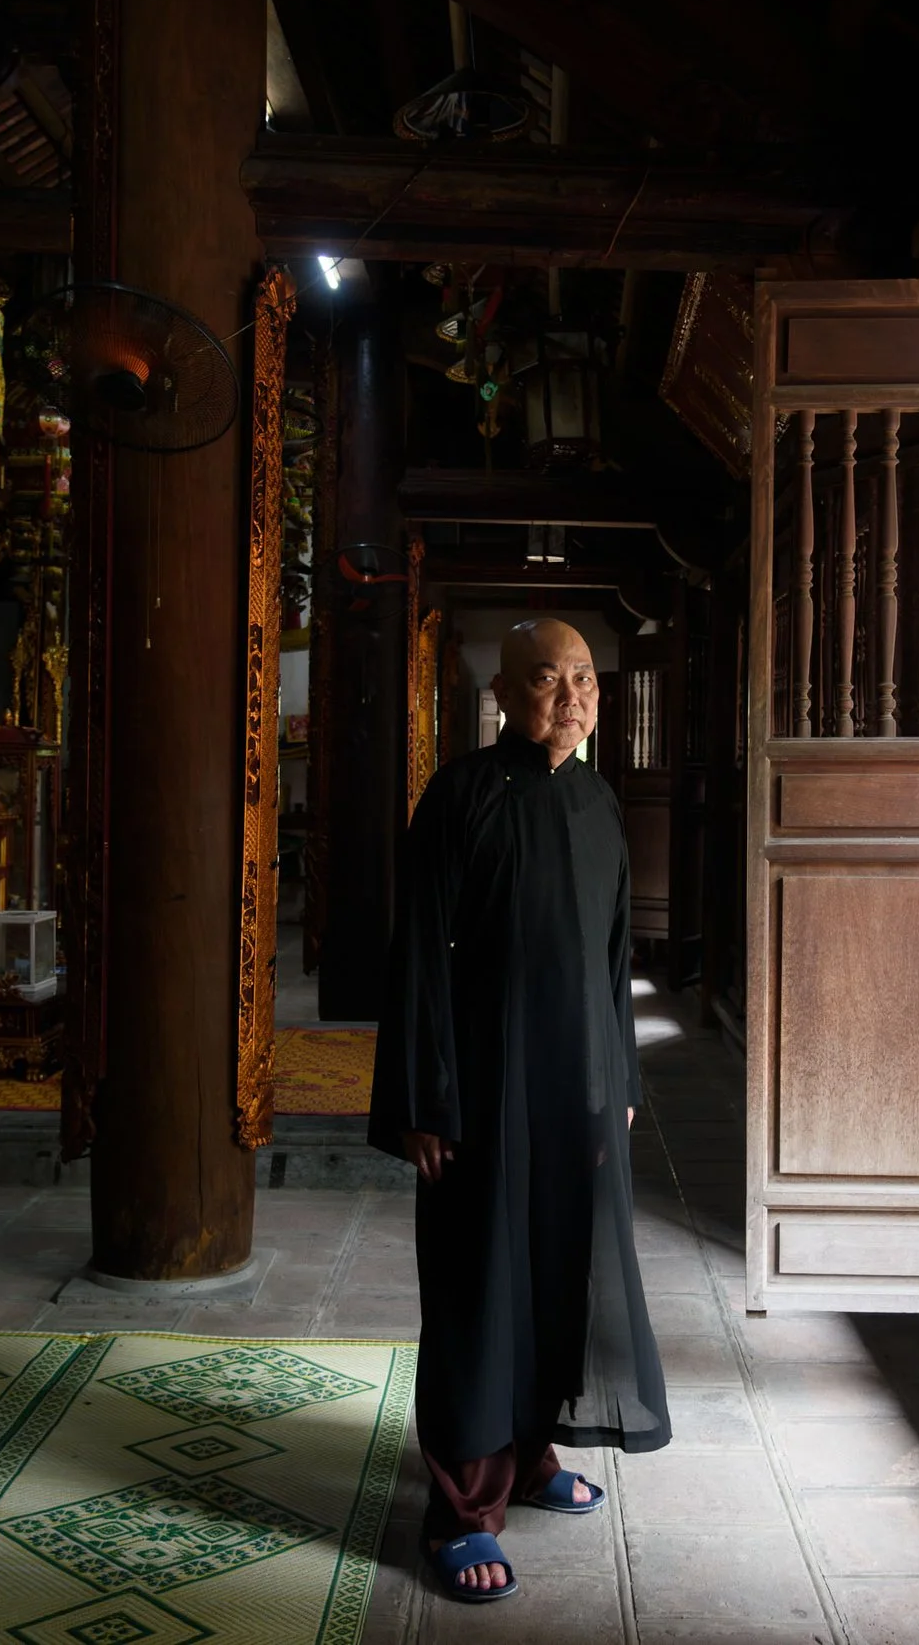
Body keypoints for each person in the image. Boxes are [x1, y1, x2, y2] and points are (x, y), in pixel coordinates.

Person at [369, 618, 671, 1603]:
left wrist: (617, 1083)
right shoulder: (460, 795)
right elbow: (416, 952)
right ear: (504, 692)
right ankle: (463, 1504)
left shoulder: (595, 802)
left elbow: (613, 960)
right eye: (549, 678)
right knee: (476, 1286)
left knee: (555, 1277)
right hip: (480, 1089)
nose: (572, 696)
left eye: (584, 678)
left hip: (573, 1092)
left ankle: (530, 1455)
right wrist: (423, 1096)